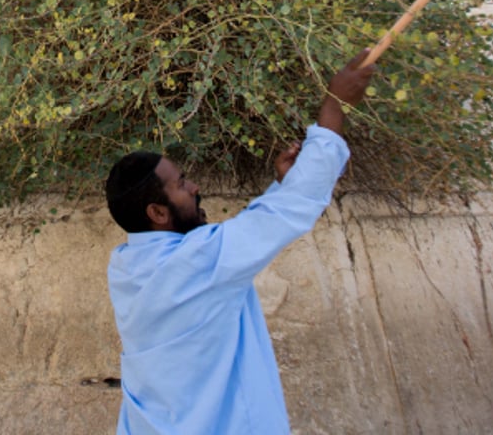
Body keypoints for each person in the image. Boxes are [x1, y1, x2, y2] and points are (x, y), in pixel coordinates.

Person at [104, 49, 377, 434]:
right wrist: (334, 108)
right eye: (181, 185)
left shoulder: (126, 267)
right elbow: (287, 213)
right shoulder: (196, 262)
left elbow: (244, 232)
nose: (194, 187)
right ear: (158, 213)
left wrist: (279, 185)